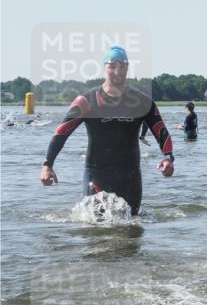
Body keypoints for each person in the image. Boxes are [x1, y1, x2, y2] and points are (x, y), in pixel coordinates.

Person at [39, 46, 174, 215]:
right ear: (104, 68)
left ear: (127, 68)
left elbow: (161, 131)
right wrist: (47, 165)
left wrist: (168, 158)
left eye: (122, 65)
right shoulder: (86, 101)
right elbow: (61, 132)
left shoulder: (142, 102)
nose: (117, 70)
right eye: (112, 65)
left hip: (130, 176)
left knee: (131, 228)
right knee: (96, 227)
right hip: (97, 173)